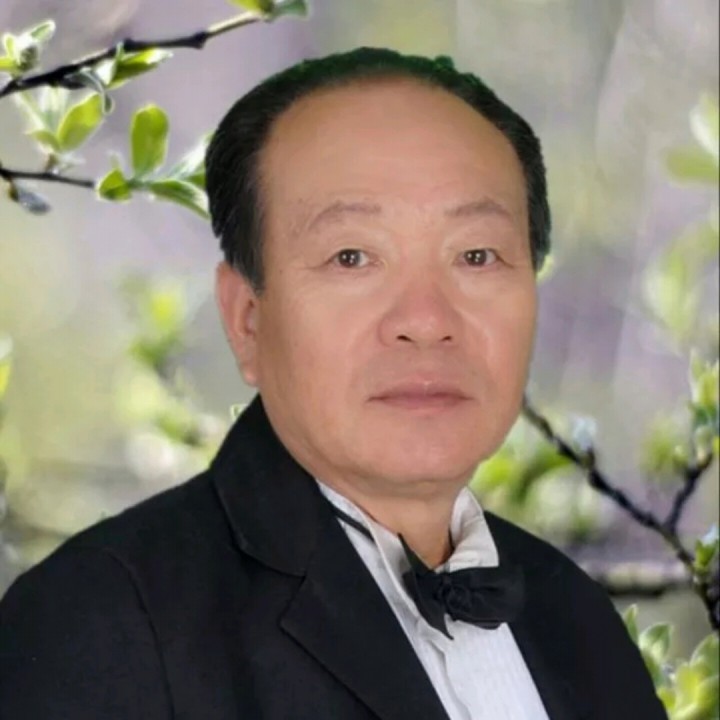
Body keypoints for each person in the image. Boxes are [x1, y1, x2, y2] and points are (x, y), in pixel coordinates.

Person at [0, 47, 668, 720]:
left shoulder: (577, 621)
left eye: (476, 255)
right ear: (247, 319)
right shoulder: (104, 620)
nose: (425, 321)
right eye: (352, 257)